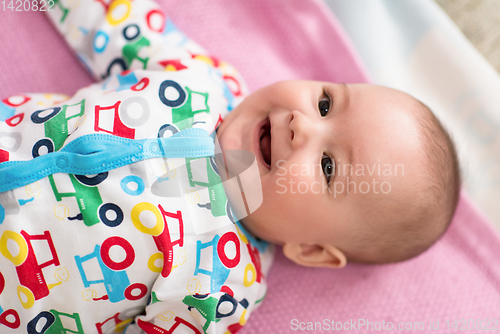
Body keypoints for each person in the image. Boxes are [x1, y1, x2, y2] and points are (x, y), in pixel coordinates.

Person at [0, 0, 460, 333]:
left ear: (312, 250)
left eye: (327, 166)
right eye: (324, 102)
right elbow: (121, 23)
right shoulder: (202, 79)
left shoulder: (222, 286)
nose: (303, 124)